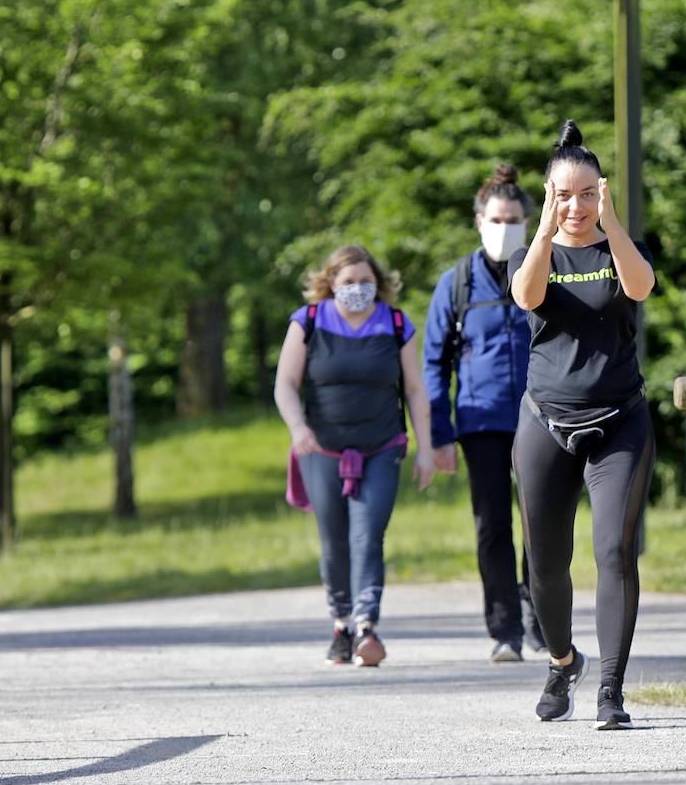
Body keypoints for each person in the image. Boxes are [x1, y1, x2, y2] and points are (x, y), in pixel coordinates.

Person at [506, 120, 655, 730]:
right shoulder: (532, 252)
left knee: (614, 552)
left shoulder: (619, 245)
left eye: (588, 193)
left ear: (603, 193)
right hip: (546, 422)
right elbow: (525, 295)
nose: (577, 205)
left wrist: (612, 224)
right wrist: (544, 228)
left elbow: (641, 286)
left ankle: (612, 692)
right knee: (544, 562)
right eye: (564, 194)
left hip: (620, 422)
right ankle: (563, 661)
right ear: (548, 196)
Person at [275, 244, 435, 667]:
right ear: (330, 284)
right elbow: (285, 384)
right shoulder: (307, 321)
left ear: (379, 285)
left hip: (382, 445)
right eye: (348, 283)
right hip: (320, 448)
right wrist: (298, 428)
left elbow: (415, 389)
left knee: (368, 535)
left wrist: (426, 448)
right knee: (333, 539)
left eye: (365, 282)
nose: (357, 290)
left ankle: (367, 626)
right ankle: (341, 625)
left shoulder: (396, 323)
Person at [422, 164, 546, 663]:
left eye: (513, 220)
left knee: (543, 523)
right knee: (492, 526)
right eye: (496, 219)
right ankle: (505, 630)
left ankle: (542, 620)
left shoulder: (543, 269)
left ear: (528, 221)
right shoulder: (454, 285)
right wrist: (439, 435)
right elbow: (434, 363)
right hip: (481, 423)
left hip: (544, 418)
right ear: (478, 221)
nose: (504, 228)